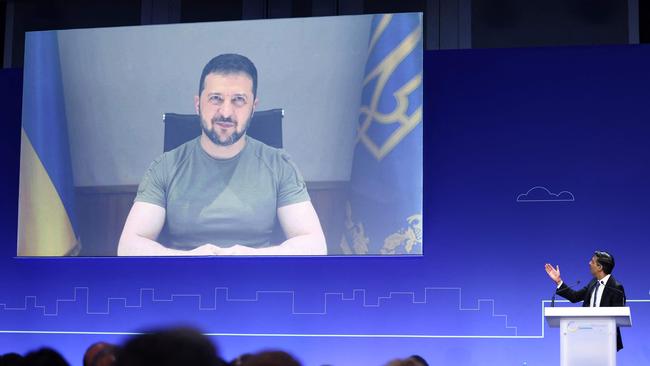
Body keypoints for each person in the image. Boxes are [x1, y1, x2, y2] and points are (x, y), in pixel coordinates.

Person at [118, 53, 326, 256]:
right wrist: (189, 259)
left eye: (238, 100)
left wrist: (252, 256)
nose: (226, 112)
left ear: (253, 108)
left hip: (256, 280)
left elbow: (315, 245)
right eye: (216, 98)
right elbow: (128, 247)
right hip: (185, 280)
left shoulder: (279, 165)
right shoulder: (164, 167)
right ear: (198, 104)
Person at [545, 250, 626, 351]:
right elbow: (574, 297)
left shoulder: (616, 287)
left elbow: (618, 317)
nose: (589, 263)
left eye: (592, 261)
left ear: (600, 267)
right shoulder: (593, 283)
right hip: (587, 337)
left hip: (607, 341)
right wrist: (558, 281)